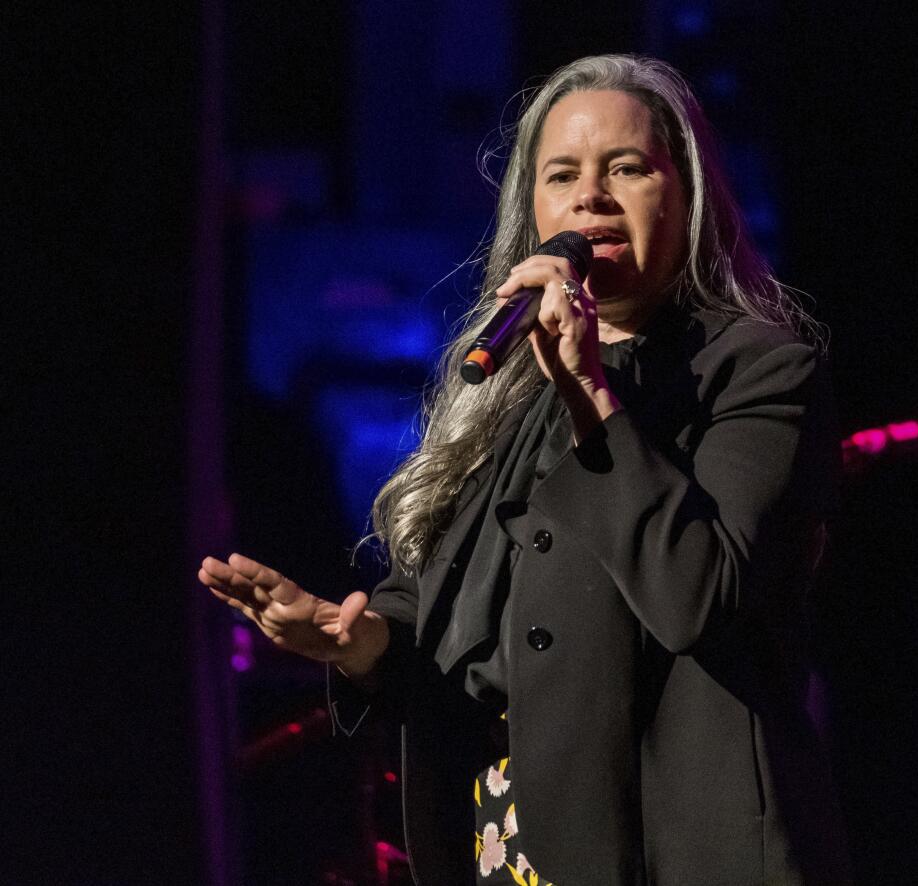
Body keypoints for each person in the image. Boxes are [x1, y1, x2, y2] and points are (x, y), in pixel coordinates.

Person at [199, 54, 850, 886]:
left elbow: (700, 594)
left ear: (685, 195)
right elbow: (447, 604)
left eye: (627, 168)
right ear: (533, 211)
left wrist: (589, 393)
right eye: (562, 175)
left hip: (671, 846)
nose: (591, 197)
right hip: (506, 846)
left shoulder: (757, 371)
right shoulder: (514, 388)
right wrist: (358, 639)